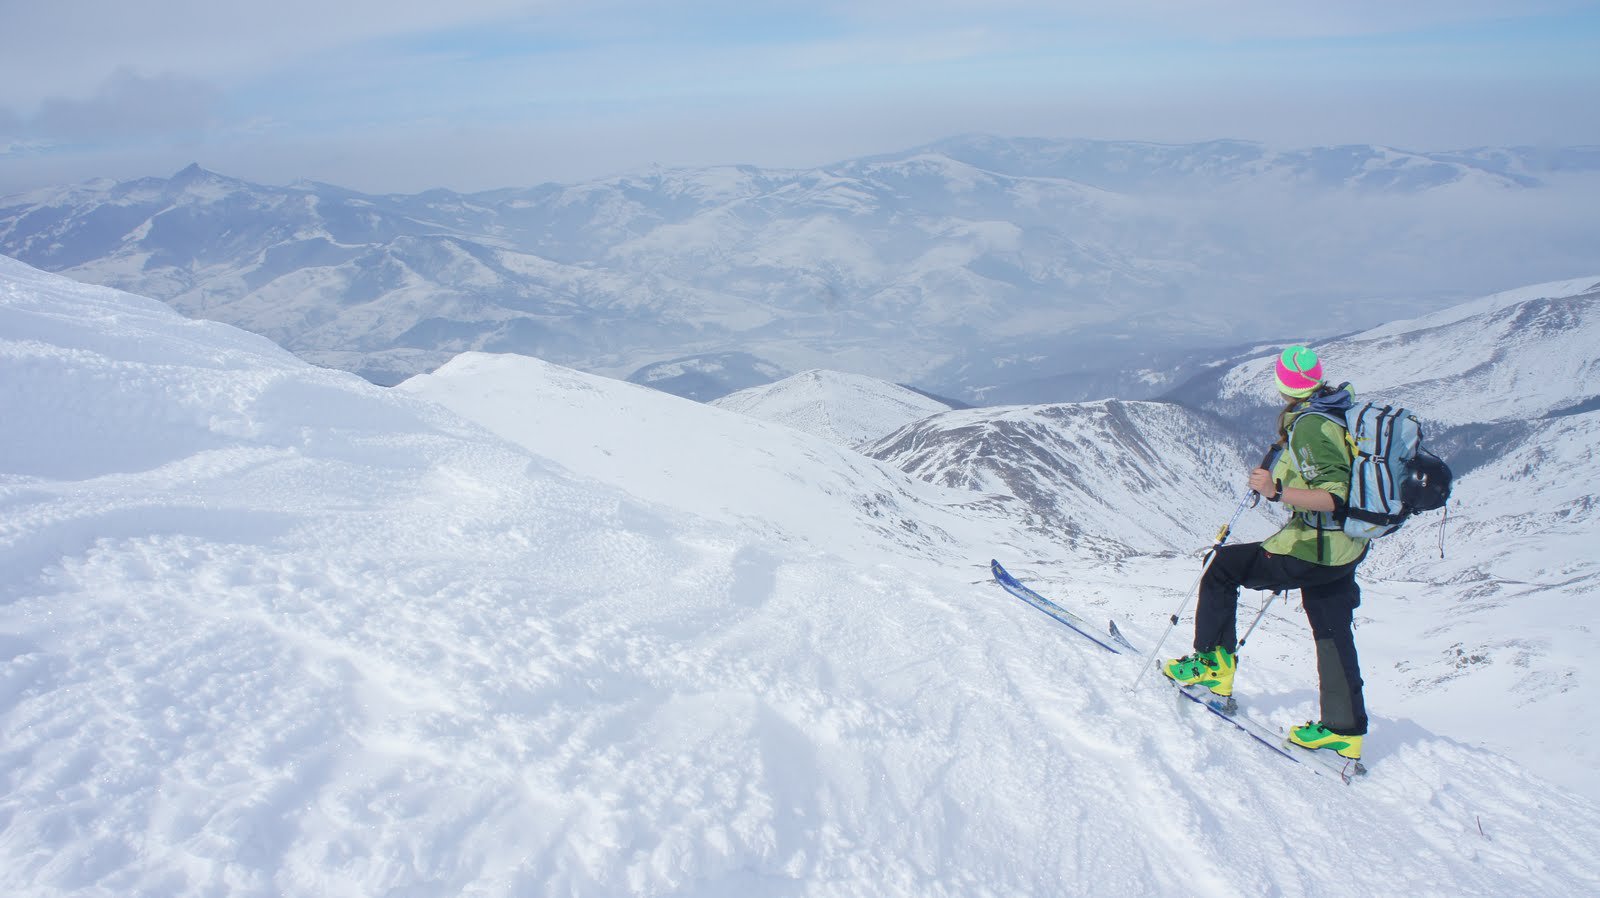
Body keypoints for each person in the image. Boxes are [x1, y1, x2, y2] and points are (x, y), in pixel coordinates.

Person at [1163, 345, 1370, 762]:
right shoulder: (1337, 408)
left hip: (1313, 548)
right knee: (1331, 630)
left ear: (1283, 382)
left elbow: (1334, 495)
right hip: (1344, 549)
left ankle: (1212, 666)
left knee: (1221, 568)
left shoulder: (1312, 424)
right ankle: (1344, 731)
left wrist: (1275, 491)